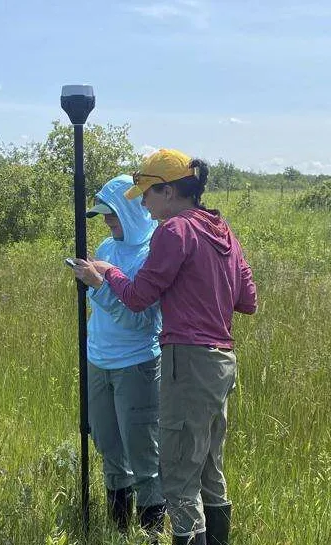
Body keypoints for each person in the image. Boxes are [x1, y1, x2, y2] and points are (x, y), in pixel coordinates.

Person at [73, 150, 258, 545]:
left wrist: (111, 274)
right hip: (221, 357)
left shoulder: (175, 231)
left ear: (169, 191)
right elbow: (248, 300)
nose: (144, 203)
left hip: (186, 359)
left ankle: (187, 537)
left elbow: (139, 299)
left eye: (148, 194)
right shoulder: (221, 229)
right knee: (209, 463)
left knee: (177, 470)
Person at [80, 174, 166, 540]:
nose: (106, 222)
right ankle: (118, 532)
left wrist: (98, 286)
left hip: (137, 366)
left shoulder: (152, 255)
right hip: (99, 362)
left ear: (131, 210)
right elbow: (98, 307)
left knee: (143, 456)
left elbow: (142, 320)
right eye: (103, 215)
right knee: (110, 451)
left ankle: (150, 532)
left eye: (112, 214)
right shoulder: (106, 248)